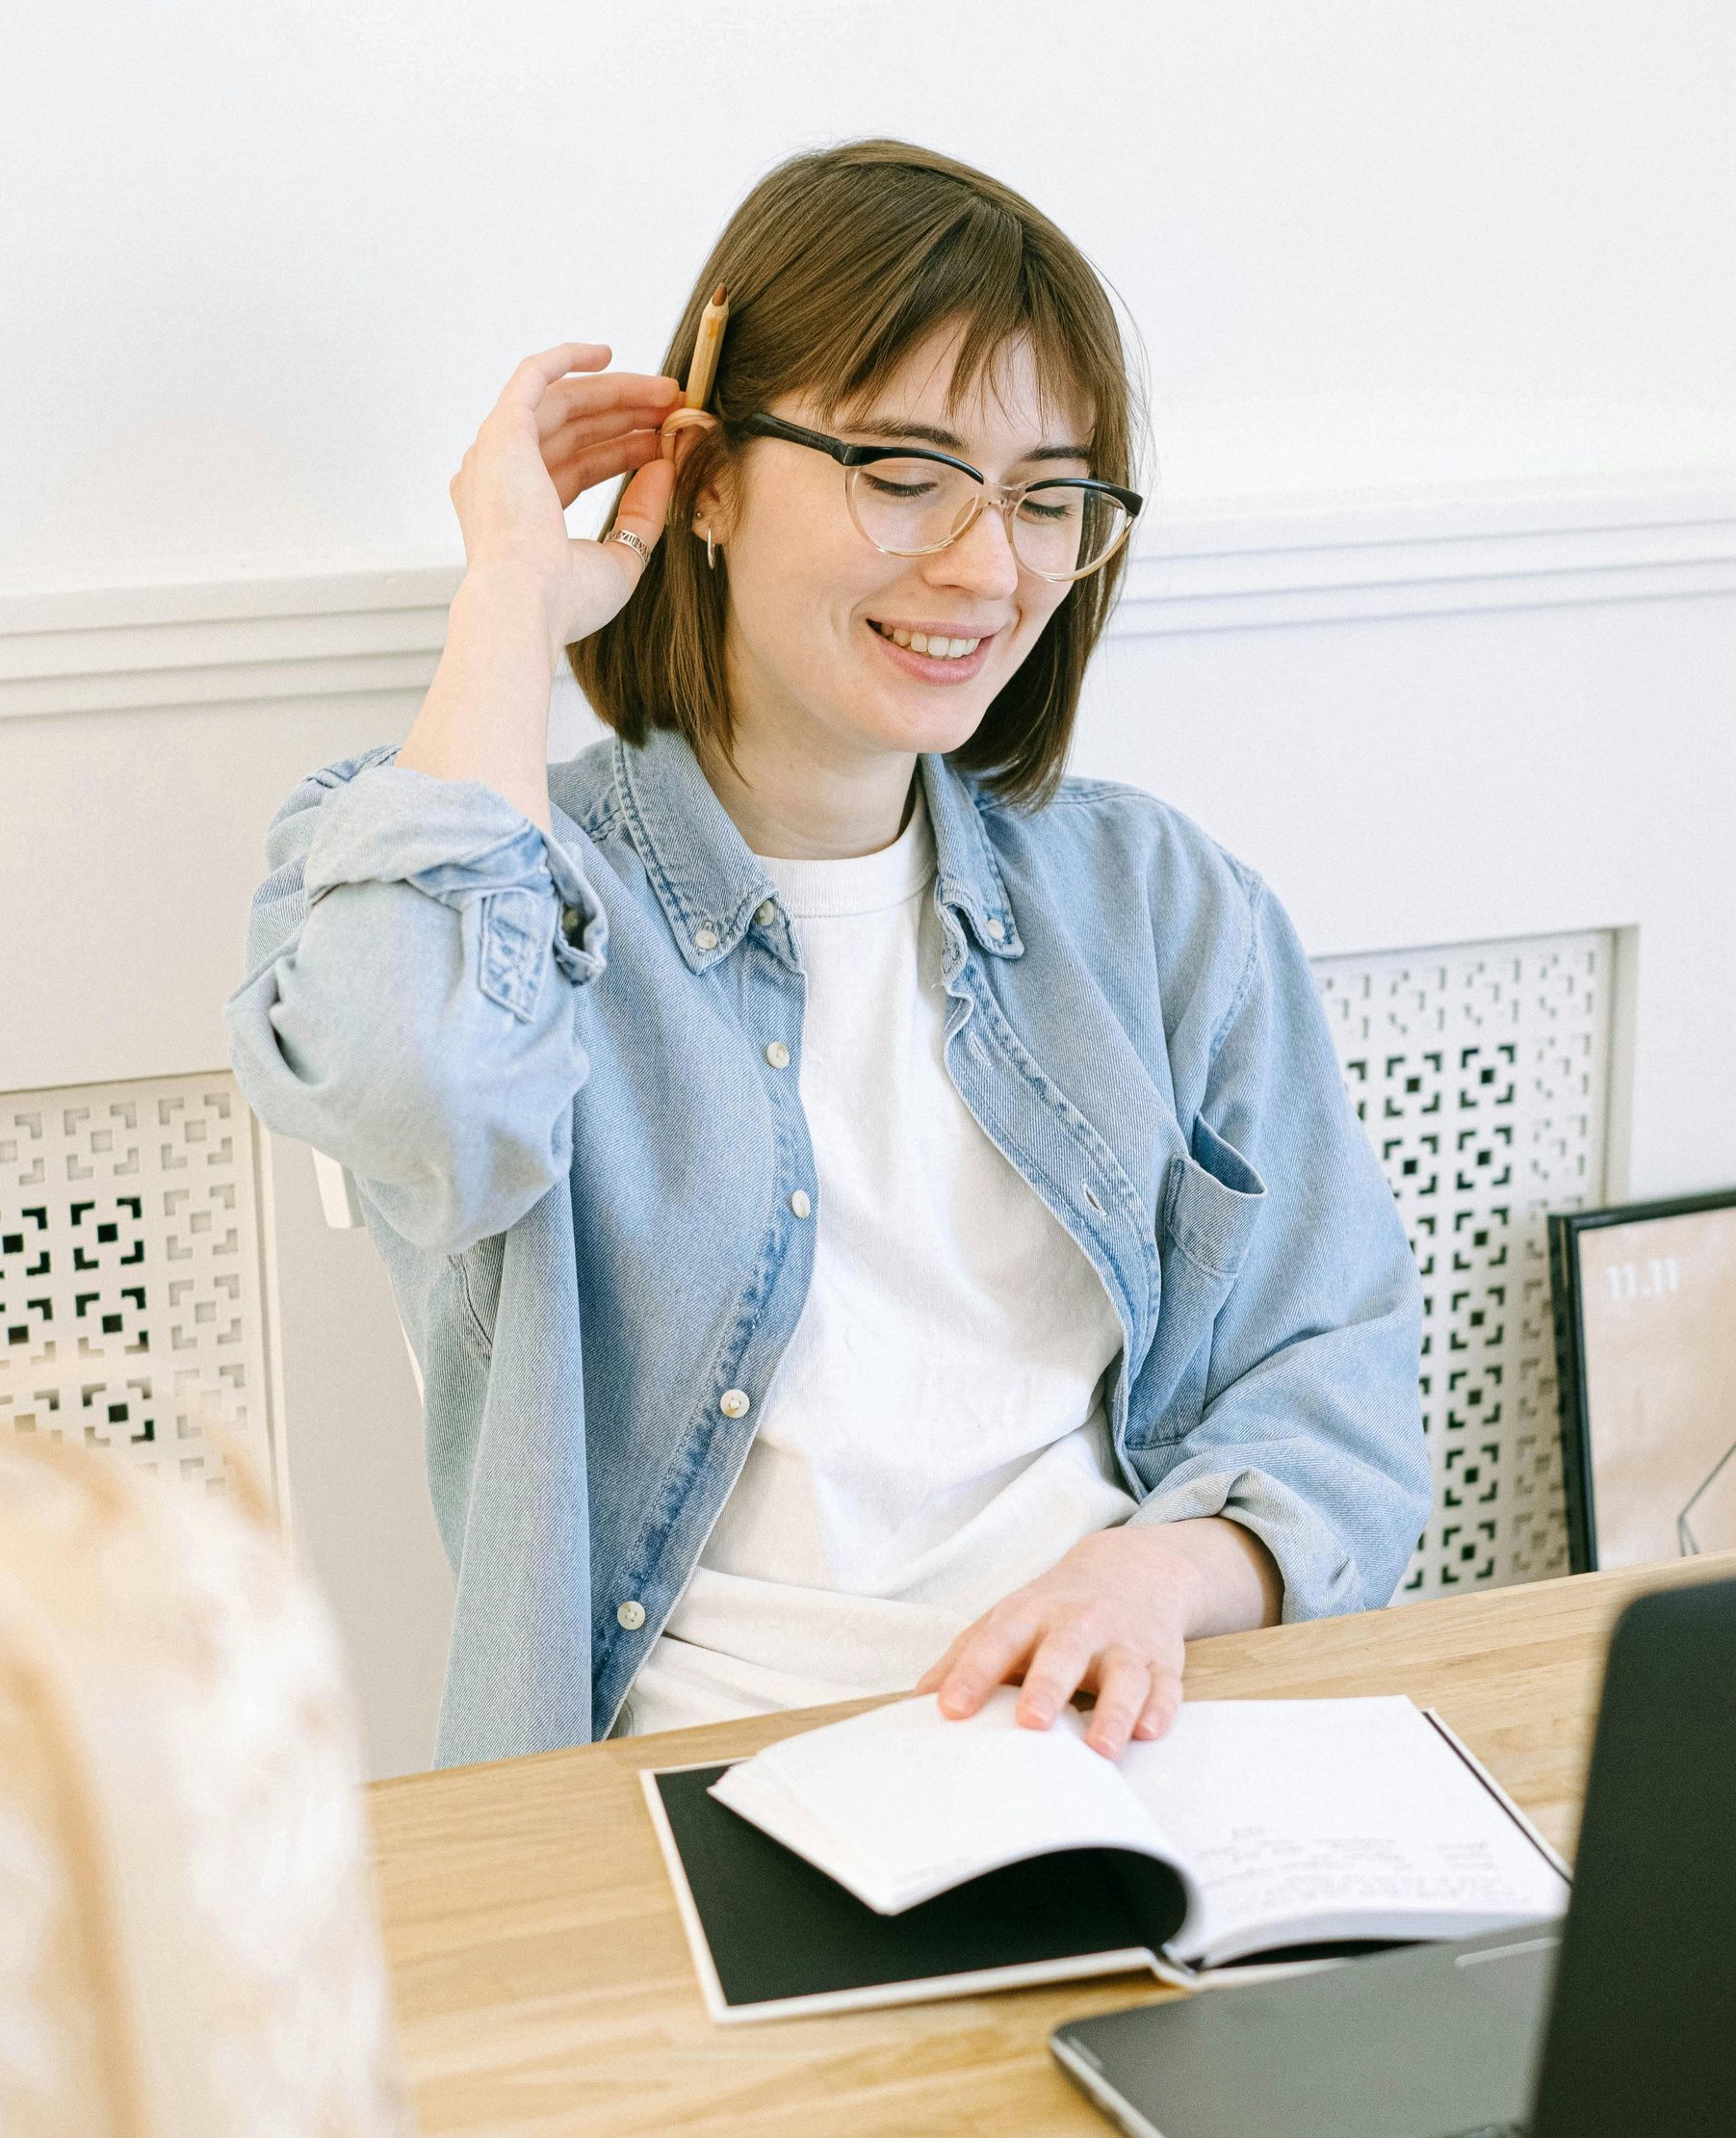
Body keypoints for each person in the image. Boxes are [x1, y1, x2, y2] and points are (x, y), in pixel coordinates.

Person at [227, 139, 1432, 1772]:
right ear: (706, 475)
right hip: (701, 1796)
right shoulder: (485, 877)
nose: (985, 566)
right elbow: (418, 1087)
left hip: (1127, 1745)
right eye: (906, 472)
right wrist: (510, 598)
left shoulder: (1160, 902)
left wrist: (1163, 1569)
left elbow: (1334, 1373)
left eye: (1048, 495)